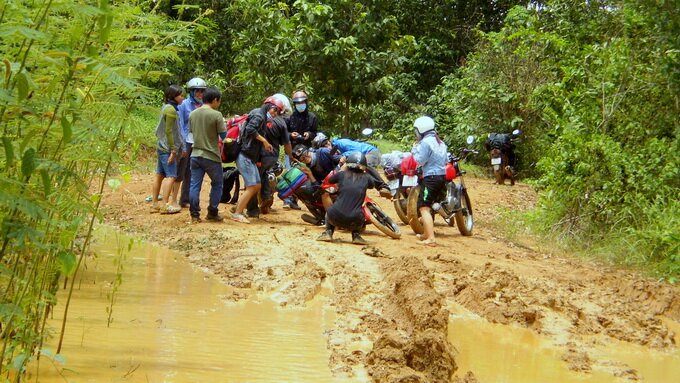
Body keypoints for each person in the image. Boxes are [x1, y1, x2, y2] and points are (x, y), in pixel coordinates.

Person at [230, 96, 279, 223]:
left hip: (249, 156)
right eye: (276, 110)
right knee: (252, 186)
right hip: (245, 155)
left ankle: (239, 207)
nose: (275, 114)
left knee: (256, 185)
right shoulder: (259, 115)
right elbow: (250, 129)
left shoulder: (259, 114)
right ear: (270, 107)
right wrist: (264, 141)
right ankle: (238, 213)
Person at [316, 152, 380, 245]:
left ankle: (328, 233)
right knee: (360, 213)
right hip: (355, 220)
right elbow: (371, 185)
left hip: (335, 217)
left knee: (329, 211)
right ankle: (356, 236)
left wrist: (342, 169)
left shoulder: (341, 174)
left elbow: (330, 180)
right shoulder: (366, 177)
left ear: (348, 164)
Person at [188, 87, 227, 223]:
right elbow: (224, 135)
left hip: (195, 154)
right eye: (219, 101)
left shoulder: (193, 114)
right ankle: (212, 211)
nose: (219, 103)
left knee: (194, 185)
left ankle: (194, 215)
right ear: (215, 100)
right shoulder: (216, 115)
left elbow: (192, 131)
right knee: (217, 183)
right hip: (211, 156)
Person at [245, 113, 294, 218]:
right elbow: (286, 143)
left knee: (253, 181)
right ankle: (266, 196)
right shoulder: (281, 122)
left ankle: (252, 209)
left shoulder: (259, 118)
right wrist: (291, 156)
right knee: (264, 175)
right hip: (272, 157)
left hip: (259, 155)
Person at [411, 116, 447, 246]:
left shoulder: (425, 143)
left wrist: (414, 149)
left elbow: (419, 161)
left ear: (421, 130)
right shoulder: (440, 142)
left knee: (423, 207)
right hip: (441, 176)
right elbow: (445, 160)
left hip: (430, 177)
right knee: (429, 205)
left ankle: (431, 238)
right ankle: (426, 234)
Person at [150, 85, 185, 214]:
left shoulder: (166, 107)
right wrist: (173, 150)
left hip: (161, 145)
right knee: (171, 175)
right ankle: (165, 204)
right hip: (167, 147)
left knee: (159, 174)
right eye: (181, 95)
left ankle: (155, 203)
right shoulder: (171, 110)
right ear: (174, 96)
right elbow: (169, 131)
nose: (182, 98)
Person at [175, 77, 207, 209]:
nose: (200, 94)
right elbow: (181, 124)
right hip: (186, 141)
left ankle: (185, 198)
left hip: (198, 141)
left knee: (192, 171)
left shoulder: (204, 106)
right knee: (181, 170)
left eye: (202, 91)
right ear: (192, 92)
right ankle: (172, 198)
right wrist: (182, 143)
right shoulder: (184, 105)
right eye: (197, 91)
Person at [282, 90, 317, 210]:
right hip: (291, 150)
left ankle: (297, 199)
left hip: (306, 152)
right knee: (289, 175)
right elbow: (284, 133)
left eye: (302, 102)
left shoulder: (312, 117)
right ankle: (287, 200)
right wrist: (291, 135)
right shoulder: (289, 118)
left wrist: (309, 134)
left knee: (304, 175)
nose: (300, 104)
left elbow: (315, 132)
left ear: (306, 102)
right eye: (297, 103)